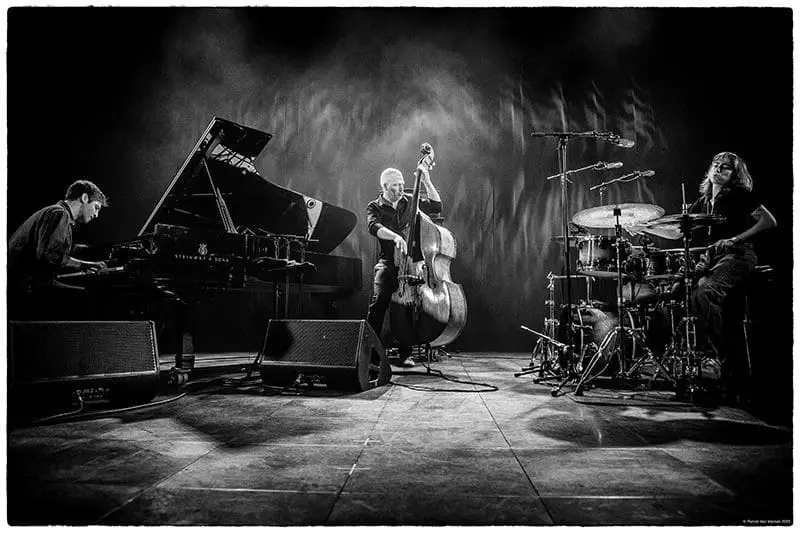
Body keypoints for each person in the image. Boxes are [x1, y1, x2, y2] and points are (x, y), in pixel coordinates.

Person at [689, 152, 776, 399]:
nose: (718, 169)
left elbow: (769, 221)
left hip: (738, 254)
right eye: (715, 165)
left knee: (705, 292)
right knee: (675, 292)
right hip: (713, 258)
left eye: (725, 167)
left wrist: (735, 239)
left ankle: (715, 358)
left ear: (734, 174)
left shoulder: (738, 194)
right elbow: (677, 229)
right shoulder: (704, 200)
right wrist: (639, 226)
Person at [366, 166, 442, 367]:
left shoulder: (411, 201)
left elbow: (436, 206)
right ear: (384, 187)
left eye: (402, 184)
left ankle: (405, 353)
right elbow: (373, 227)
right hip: (388, 263)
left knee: (408, 307)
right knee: (378, 305)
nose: (401, 188)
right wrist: (395, 237)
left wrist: (426, 181)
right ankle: (371, 354)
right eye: (395, 186)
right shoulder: (375, 206)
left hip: (412, 264)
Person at [8, 179, 109, 319]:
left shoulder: (54, 212)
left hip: (23, 284)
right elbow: (51, 255)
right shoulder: (59, 214)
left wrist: (90, 251)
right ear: (85, 198)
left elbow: (57, 247)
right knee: (89, 299)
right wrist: (85, 265)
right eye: (96, 207)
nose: (96, 215)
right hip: (25, 288)